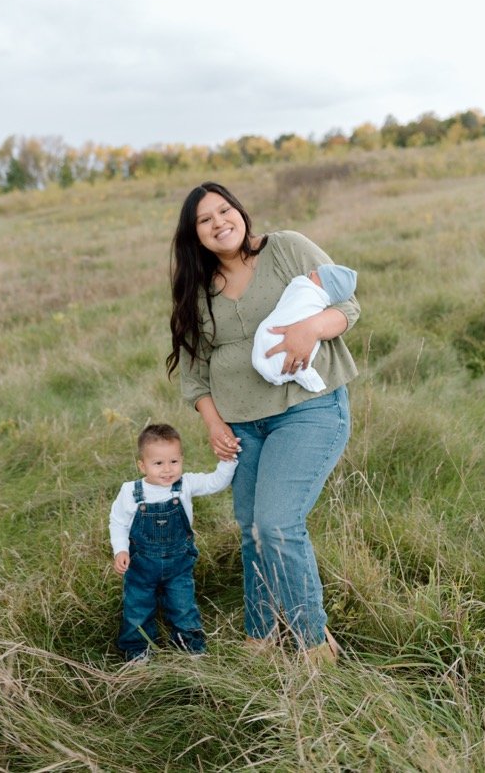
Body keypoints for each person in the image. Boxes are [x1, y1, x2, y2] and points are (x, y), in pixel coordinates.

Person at [166, 182, 358, 661]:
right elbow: (194, 369)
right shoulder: (197, 288)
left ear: (241, 212)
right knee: (251, 529)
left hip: (307, 411)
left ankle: (314, 643)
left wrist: (310, 328)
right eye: (205, 220)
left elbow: (348, 303)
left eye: (224, 210)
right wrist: (213, 424)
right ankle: (261, 634)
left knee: (276, 523)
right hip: (243, 425)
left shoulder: (287, 247)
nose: (218, 223)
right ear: (196, 236)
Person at [108, 424, 236, 662]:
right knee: (137, 607)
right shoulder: (131, 491)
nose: (167, 470)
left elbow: (215, 482)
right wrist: (121, 550)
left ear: (182, 460)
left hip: (179, 566)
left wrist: (228, 461)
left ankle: (190, 647)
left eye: (174, 462)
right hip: (141, 566)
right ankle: (138, 650)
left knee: (183, 606)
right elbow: (118, 522)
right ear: (142, 465)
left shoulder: (185, 484)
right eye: (158, 463)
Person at [251, 264, 358, 392]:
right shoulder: (304, 289)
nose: (312, 272)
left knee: (278, 339)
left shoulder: (309, 294)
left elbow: (303, 313)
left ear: (325, 287)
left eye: (318, 274)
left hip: (284, 339)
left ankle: (298, 370)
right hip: (271, 336)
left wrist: (311, 327)